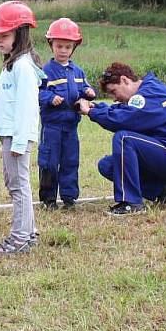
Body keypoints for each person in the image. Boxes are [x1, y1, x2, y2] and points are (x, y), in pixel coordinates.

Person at [77, 62, 166, 216]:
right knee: (108, 165)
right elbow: (123, 111)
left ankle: (131, 203)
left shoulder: (150, 93)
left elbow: (124, 119)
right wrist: (95, 107)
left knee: (124, 138)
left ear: (125, 80)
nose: (114, 99)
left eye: (114, 92)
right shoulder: (144, 94)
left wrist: (91, 113)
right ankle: (162, 189)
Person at [0, 1, 46, 254]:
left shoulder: (22, 67)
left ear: (19, 34)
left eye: (4, 35)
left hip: (17, 137)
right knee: (18, 184)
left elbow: (26, 108)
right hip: (10, 136)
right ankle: (29, 233)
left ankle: (19, 239)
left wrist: (19, 143)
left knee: (18, 187)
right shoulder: (14, 63)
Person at [37, 18, 96, 210]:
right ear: (51, 45)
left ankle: (69, 198)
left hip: (71, 126)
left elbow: (83, 88)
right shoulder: (45, 71)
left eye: (67, 47)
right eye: (59, 46)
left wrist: (88, 92)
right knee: (49, 163)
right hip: (52, 127)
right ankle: (48, 199)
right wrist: (49, 98)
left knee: (71, 161)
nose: (63, 50)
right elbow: (37, 92)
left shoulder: (77, 70)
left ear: (74, 48)